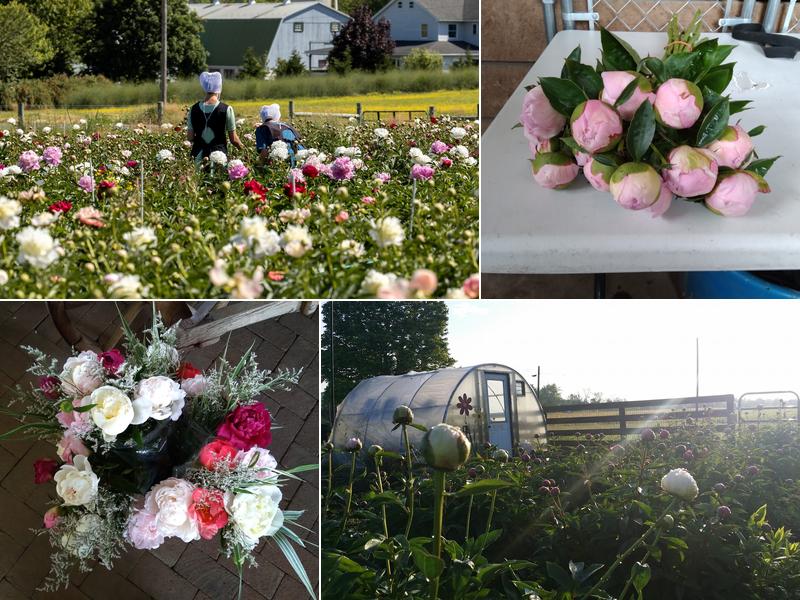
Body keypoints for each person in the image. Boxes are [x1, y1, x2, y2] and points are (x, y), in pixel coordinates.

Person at [187, 71, 244, 166]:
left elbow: (190, 137)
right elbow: (234, 139)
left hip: (198, 157)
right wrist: (245, 151)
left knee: (198, 180)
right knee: (218, 180)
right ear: (219, 87)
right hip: (219, 158)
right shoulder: (226, 109)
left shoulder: (193, 109)